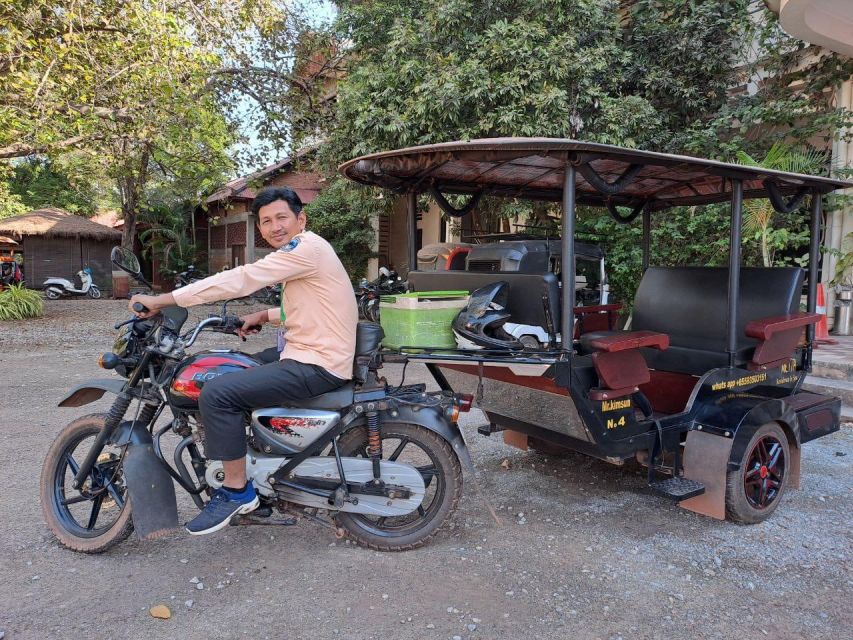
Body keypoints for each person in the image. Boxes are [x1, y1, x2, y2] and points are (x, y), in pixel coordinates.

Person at [129, 187, 358, 535]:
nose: (274, 226)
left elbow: (241, 278)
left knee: (218, 393)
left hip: (317, 361)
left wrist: (163, 300)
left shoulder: (305, 248)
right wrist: (264, 315)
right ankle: (258, 459)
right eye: (266, 221)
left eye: (281, 217)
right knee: (237, 365)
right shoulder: (310, 251)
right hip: (308, 350)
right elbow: (313, 303)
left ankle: (237, 490)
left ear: (301, 219)